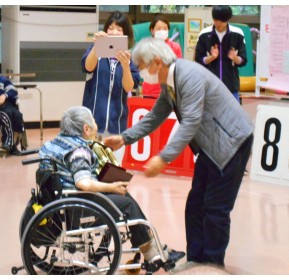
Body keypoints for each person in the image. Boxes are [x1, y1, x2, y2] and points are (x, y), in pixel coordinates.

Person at [104, 38, 254, 267]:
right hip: (210, 146)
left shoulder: (188, 76)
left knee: (216, 208)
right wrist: (125, 138)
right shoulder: (170, 82)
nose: (142, 74)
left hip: (232, 142)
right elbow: (155, 116)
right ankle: (196, 259)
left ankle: (212, 264)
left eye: (142, 67)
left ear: (156, 62)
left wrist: (163, 157)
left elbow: (191, 122)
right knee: (195, 205)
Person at [38, 106, 185, 267]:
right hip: (79, 205)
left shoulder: (53, 143)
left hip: (62, 200)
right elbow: (83, 183)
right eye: (93, 120)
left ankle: (148, 242)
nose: (96, 123)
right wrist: (111, 187)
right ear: (86, 129)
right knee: (127, 204)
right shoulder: (79, 151)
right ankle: (151, 253)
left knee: (123, 196)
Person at [81, 11, 140, 164]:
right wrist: (97, 47)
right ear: (105, 30)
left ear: (126, 35)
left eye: (119, 30)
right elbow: (87, 66)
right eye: (111, 28)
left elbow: (129, 87)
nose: (114, 32)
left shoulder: (129, 58)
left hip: (116, 127)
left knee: (114, 172)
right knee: (90, 171)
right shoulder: (95, 52)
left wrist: (126, 66)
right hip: (92, 126)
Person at [195, 5, 247, 103]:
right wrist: (211, 58)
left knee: (233, 117)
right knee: (210, 117)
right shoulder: (204, 34)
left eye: (222, 20)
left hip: (231, 87)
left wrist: (235, 58)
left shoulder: (237, 33)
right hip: (209, 87)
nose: (218, 23)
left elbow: (243, 60)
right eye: (215, 19)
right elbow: (198, 59)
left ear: (228, 19)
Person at [142, 13, 183, 99]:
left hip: (169, 92)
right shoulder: (146, 47)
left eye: (165, 28)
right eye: (159, 28)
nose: (162, 31)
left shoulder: (175, 47)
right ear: (152, 30)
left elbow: (178, 70)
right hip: (150, 91)